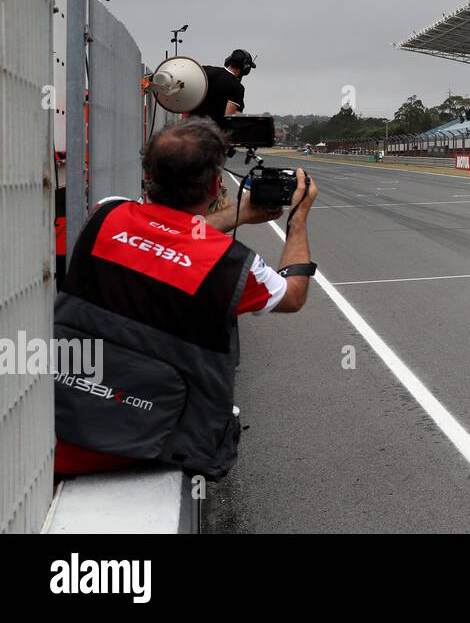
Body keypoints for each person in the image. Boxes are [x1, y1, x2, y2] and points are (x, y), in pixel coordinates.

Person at [53, 117, 319, 477]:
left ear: (148, 176)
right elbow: (293, 295)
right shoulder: (231, 263)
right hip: (150, 446)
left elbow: (163, 234)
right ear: (214, 183)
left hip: (61, 426)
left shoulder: (106, 213)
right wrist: (298, 219)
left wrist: (238, 214)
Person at [189, 50, 256, 123]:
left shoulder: (205, 70)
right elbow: (229, 116)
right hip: (212, 130)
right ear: (246, 69)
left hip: (190, 124)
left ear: (229, 60)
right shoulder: (237, 87)